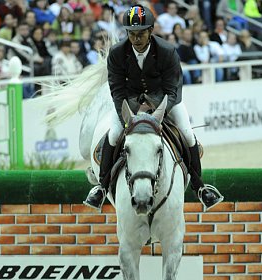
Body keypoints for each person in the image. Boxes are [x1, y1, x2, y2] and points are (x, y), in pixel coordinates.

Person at [83, 4, 223, 210]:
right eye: (132, 34)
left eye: (141, 33)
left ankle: (199, 186)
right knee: (113, 134)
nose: (136, 39)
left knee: (187, 133)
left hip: (163, 99)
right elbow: (117, 89)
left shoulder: (167, 51)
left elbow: (174, 89)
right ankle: (102, 187)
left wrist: (158, 112)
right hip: (128, 100)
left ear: (150, 31)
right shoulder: (116, 53)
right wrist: (126, 117)